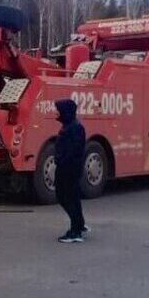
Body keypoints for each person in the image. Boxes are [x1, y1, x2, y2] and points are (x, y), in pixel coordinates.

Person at [54, 98, 88, 243]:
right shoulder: (69, 126)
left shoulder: (75, 128)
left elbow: (74, 150)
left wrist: (62, 161)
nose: (57, 113)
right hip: (66, 167)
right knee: (68, 197)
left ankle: (75, 231)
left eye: (59, 110)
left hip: (69, 169)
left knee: (67, 197)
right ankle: (79, 224)